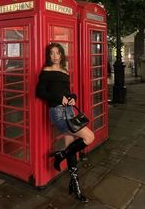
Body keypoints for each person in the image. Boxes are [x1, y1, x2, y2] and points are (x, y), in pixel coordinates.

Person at [36, 42, 95, 203]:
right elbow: (40, 92)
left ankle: (75, 185)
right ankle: (61, 154)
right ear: (49, 56)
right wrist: (59, 99)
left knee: (71, 149)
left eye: (57, 53)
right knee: (89, 137)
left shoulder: (65, 71)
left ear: (62, 55)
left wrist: (72, 97)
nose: (55, 56)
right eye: (52, 53)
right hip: (58, 113)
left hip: (69, 111)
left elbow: (67, 92)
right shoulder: (46, 71)